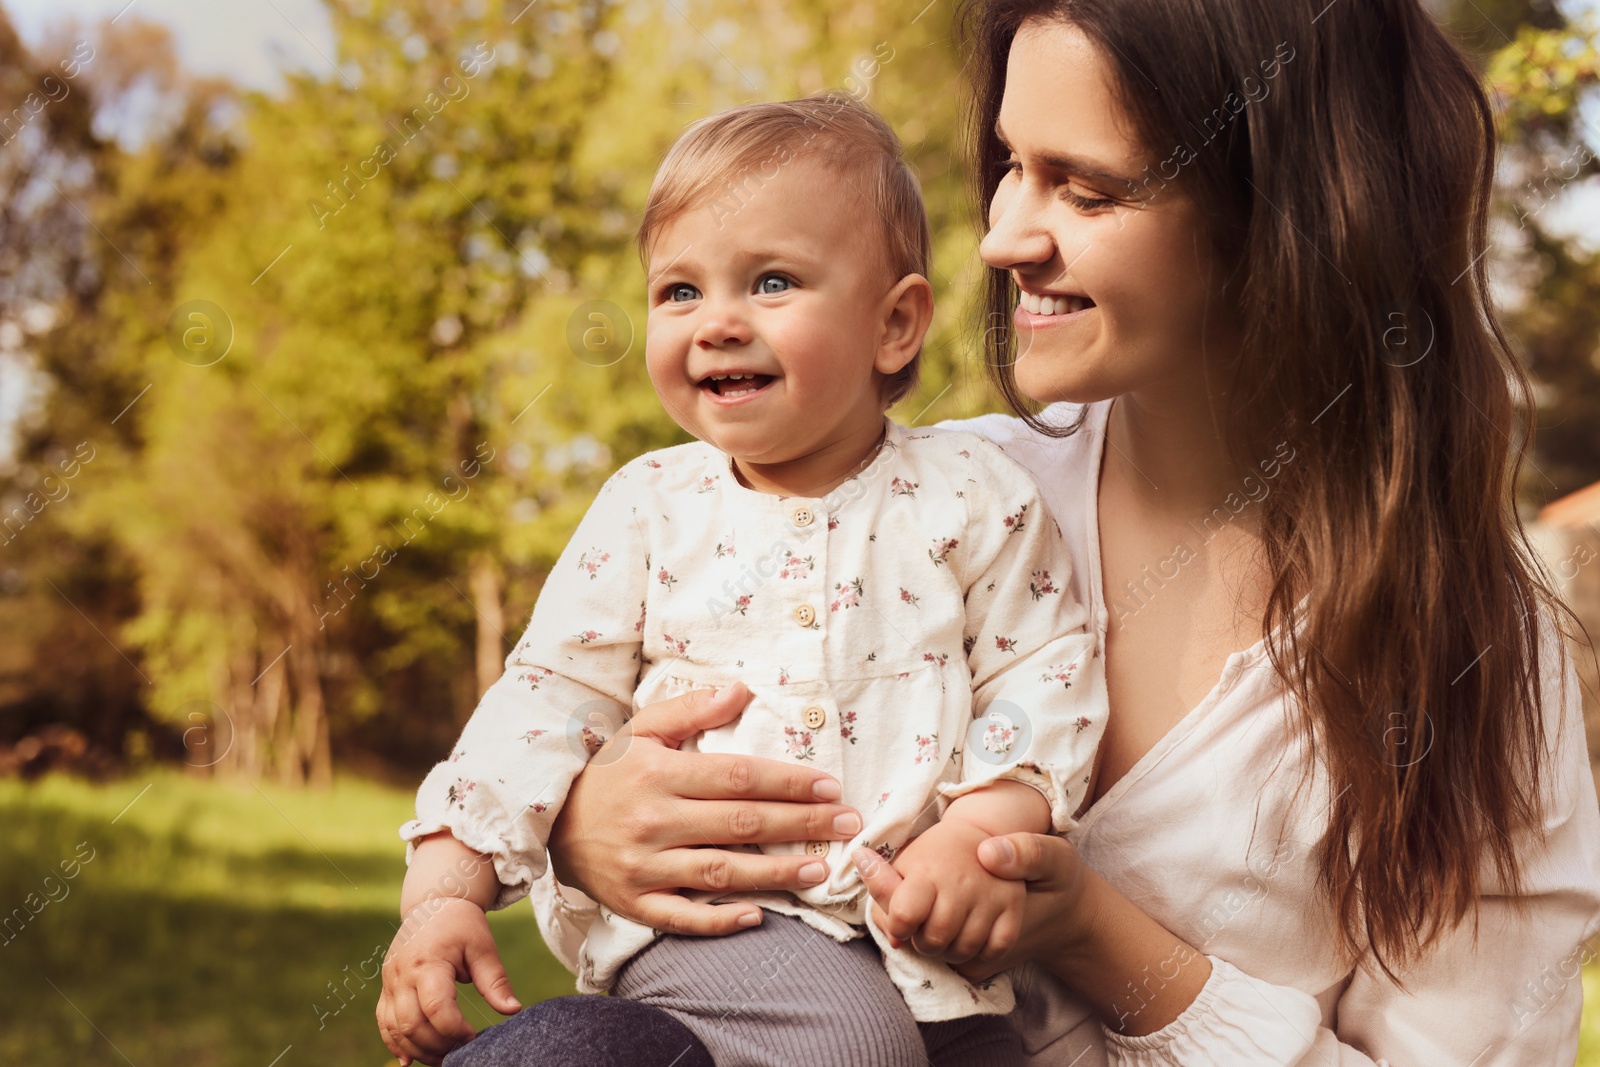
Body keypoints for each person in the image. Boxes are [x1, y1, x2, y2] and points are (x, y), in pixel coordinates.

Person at [374, 0, 1600, 1063]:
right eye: (1010, 165)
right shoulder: (944, 494)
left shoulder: (1476, 659)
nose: (1005, 234)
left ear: (1286, 212)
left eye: (1087, 186)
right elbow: (572, 708)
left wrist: (1087, 928)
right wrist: (585, 827)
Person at [376, 93, 1114, 1067]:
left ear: (894, 325)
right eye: (677, 291)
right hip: (718, 930)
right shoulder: (649, 508)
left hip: (935, 953)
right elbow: (546, 700)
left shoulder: (974, 497)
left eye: (769, 281)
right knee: (845, 1042)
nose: (715, 323)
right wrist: (442, 893)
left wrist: (982, 826)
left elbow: (1042, 671)